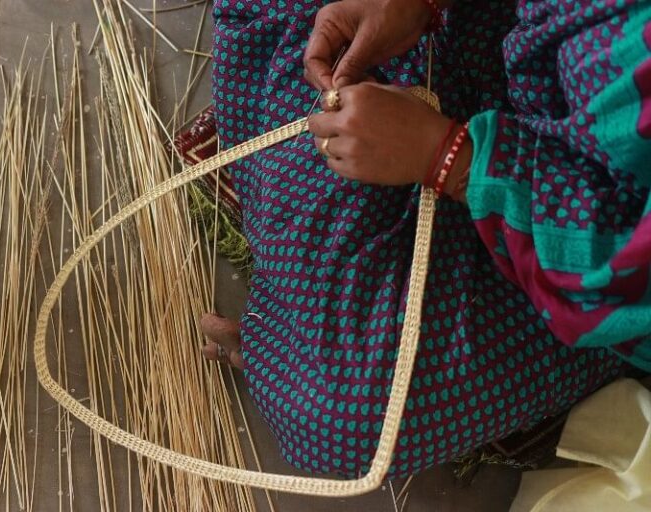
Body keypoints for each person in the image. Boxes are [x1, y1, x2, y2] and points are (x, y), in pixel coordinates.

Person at [201, 0, 651, 479]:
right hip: (496, 36)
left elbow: (623, 275)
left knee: (347, 416)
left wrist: (448, 157)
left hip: (577, 259)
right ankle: (296, 314)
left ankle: (291, 335)